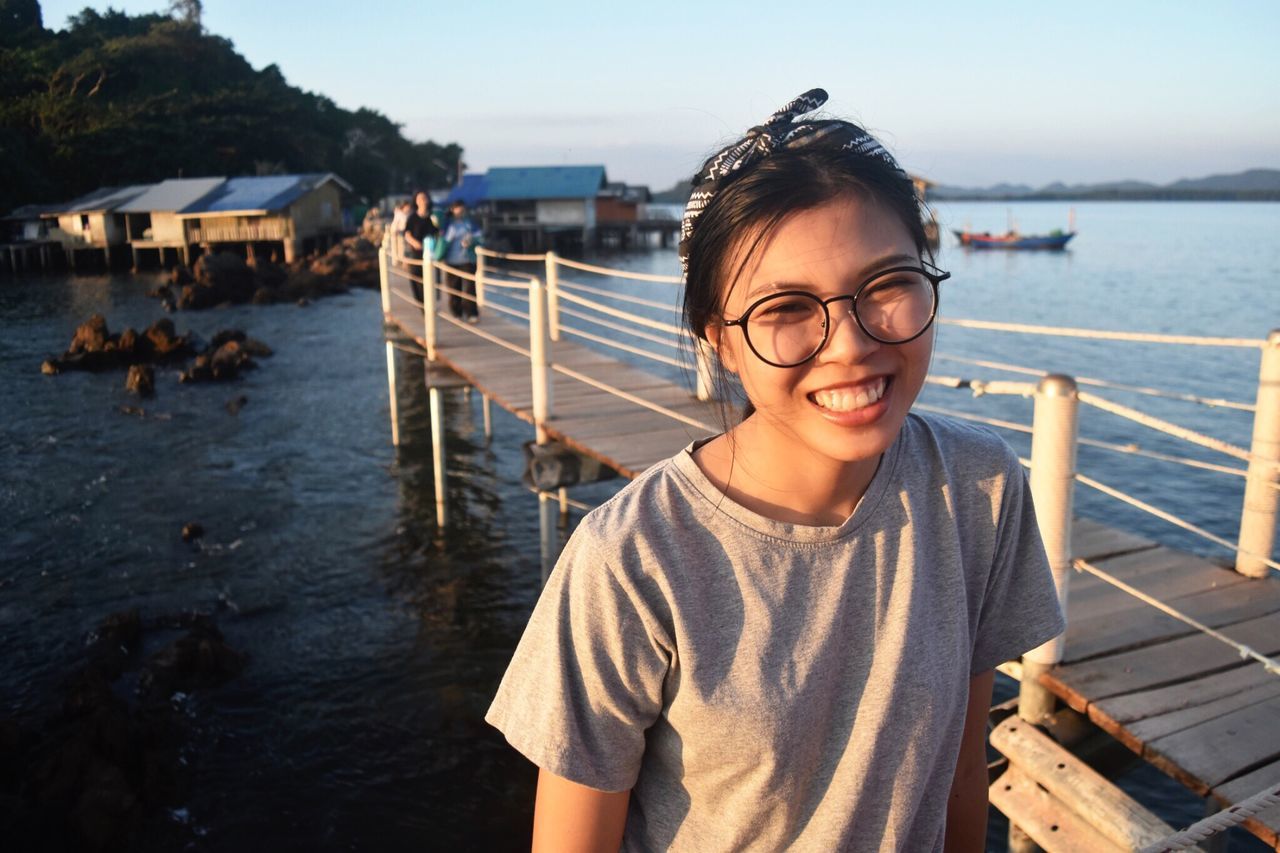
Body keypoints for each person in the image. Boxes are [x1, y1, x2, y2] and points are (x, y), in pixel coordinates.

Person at [486, 89, 1065, 852]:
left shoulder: (978, 487)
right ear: (718, 339)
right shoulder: (631, 561)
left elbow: (959, 769)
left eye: (887, 284)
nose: (850, 346)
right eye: (786, 307)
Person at [437, 200, 483, 322]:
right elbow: (442, 238)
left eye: (462, 209)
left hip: (467, 260)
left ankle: (471, 313)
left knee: (469, 289)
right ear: (453, 209)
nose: (460, 211)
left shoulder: (470, 223)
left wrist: (472, 241)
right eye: (457, 208)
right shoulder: (447, 223)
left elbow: (480, 238)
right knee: (453, 288)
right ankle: (457, 313)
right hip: (451, 260)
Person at [403, 191, 437, 302]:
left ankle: (429, 305)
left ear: (428, 200)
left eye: (424, 198)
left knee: (430, 281)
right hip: (416, 253)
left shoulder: (433, 216)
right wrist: (415, 243)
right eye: (419, 199)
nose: (422, 201)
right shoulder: (412, 218)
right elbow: (407, 234)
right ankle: (421, 304)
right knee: (416, 280)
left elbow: (439, 232)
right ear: (416, 201)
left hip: (431, 254)